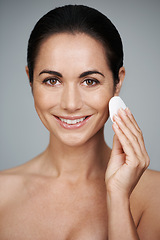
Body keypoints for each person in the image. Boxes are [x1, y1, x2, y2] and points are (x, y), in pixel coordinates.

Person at [0, 4, 160, 239]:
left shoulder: (156, 194)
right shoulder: (2, 192)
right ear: (30, 80)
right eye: (52, 81)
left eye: (90, 81)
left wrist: (118, 197)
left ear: (118, 82)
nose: (71, 104)